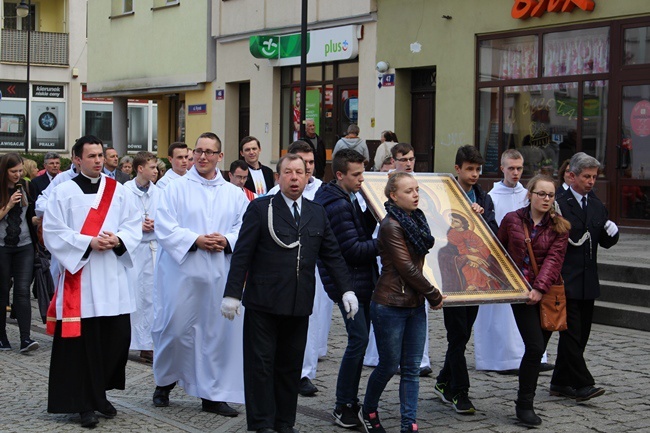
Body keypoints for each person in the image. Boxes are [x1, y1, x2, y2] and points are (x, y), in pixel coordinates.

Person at [222, 153, 359, 433]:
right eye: (288, 172)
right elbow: (243, 254)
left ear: (308, 177)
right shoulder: (262, 209)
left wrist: (347, 290)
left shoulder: (316, 212)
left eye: (300, 172)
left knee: (289, 367)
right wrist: (233, 293)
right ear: (278, 177)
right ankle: (262, 424)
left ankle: (284, 422)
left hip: (298, 303)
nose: (295, 178)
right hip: (263, 302)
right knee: (260, 366)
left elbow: (332, 255)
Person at [44, 135, 141, 428]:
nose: (98, 160)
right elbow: (52, 231)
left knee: (116, 340)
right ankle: (84, 403)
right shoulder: (63, 192)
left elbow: (133, 223)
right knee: (83, 345)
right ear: (77, 159)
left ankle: (100, 394)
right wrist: (88, 243)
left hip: (112, 277)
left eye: (101, 155)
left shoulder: (119, 191)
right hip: (81, 279)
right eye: (92, 156)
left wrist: (119, 238)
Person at [152, 132, 249, 417]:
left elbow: (244, 226)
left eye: (210, 152)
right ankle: (165, 381)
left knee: (215, 335)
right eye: (199, 151)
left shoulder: (234, 193)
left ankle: (212, 394)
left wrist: (227, 240)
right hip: (182, 274)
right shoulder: (175, 189)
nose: (203, 157)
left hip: (219, 274)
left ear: (220, 156)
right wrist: (195, 240)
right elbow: (164, 225)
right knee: (176, 330)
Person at [359, 172, 444, 433]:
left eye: (417, 189)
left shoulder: (417, 221)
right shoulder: (390, 225)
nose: (416, 194)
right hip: (390, 304)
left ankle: (409, 424)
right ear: (394, 196)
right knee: (388, 365)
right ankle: (368, 409)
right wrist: (433, 293)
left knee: (411, 369)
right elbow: (406, 267)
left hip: (415, 304)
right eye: (409, 191)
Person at [497, 174, 570, 426]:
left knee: (535, 351)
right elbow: (499, 250)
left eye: (551, 195)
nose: (546, 199)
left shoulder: (560, 226)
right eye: (541, 194)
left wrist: (539, 288)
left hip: (547, 294)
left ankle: (524, 401)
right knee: (536, 347)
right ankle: (524, 404)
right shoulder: (512, 220)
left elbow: (554, 260)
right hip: (520, 293)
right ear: (530, 194)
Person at [313, 149, 379, 428]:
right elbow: (352, 249)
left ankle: (349, 400)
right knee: (358, 341)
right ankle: (343, 404)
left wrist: (374, 211)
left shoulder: (346, 197)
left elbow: (360, 231)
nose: (362, 179)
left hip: (358, 281)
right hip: (348, 283)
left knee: (360, 341)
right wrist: (388, 241)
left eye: (363, 173)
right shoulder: (336, 204)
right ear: (340, 175)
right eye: (356, 175)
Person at [433, 144, 497, 415]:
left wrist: (481, 220)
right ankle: (460, 392)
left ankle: (442, 381)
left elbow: (494, 233)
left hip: (475, 279)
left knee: (463, 334)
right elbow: (437, 233)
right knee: (457, 334)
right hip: (451, 277)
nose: (474, 174)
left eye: (477, 169)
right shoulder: (445, 195)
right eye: (469, 169)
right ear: (457, 169)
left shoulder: (483, 197)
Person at [474, 149, 551, 373]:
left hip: (527, 263)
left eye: (519, 168)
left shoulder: (530, 194)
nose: (516, 173)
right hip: (500, 260)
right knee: (499, 315)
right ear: (502, 169)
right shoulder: (492, 197)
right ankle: (499, 359)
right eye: (511, 168)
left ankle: (529, 357)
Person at [550, 152, 619, 403]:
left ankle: (559, 381)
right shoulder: (558, 202)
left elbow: (604, 240)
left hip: (588, 280)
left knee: (582, 334)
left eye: (594, 177)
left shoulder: (596, 203)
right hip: (565, 280)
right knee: (571, 334)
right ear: (571, 175)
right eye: (586, 176)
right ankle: (583, 384)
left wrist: (613, 232)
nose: (591, 182)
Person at [267, 141, 328, 398]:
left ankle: (304, 372)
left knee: (311, 320)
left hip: (311, 268)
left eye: (311, 164)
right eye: (301, 163)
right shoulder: (273, 194)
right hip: (281, 271)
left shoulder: (323, 192)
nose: (306, 170)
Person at [123, 152, 160, 363]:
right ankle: (130, 341)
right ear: (140, 168)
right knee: (134, 296)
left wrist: (157, 223)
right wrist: (138, 225)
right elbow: (120, 217)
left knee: (152, 298)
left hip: (153, 248)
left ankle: (148, 344)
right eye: (152, 167)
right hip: (134, 250)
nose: (156, 171)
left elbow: (166, 215)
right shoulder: (125, 191)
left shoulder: (159, 192)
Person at [0, 153, 39, 352]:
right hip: (2, 247)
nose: (18, 175)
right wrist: (8, 206)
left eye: (20, 171)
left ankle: (25, 338)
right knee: (2, 291)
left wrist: (39, 219)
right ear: (4, 171)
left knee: (22, 291)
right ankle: (2, 337)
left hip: (24, 245)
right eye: (13, 171)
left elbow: (29, 216)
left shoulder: (26, 186)